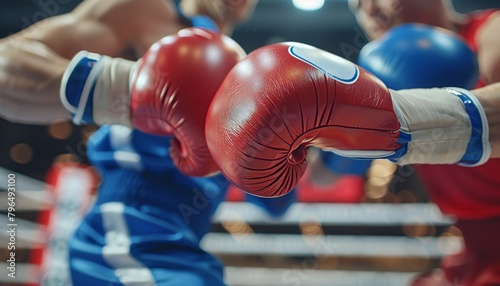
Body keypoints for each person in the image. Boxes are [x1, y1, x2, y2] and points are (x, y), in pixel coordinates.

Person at [349, 1, 500, 285]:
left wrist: (409, 115)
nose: (368, 9)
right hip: (474, 248)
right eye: (357, 4)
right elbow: (326, 176)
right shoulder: (379, 81)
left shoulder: (491, 32)